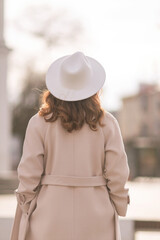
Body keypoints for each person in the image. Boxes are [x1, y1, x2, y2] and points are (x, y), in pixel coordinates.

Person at [10, 51, 130, 240]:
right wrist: (119, 204)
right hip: (96, 215)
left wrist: (26, 205)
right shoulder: (108, 123)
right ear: (93, 88)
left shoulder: (39, 122)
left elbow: (29, 173)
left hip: (49, 215)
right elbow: (118, 173)